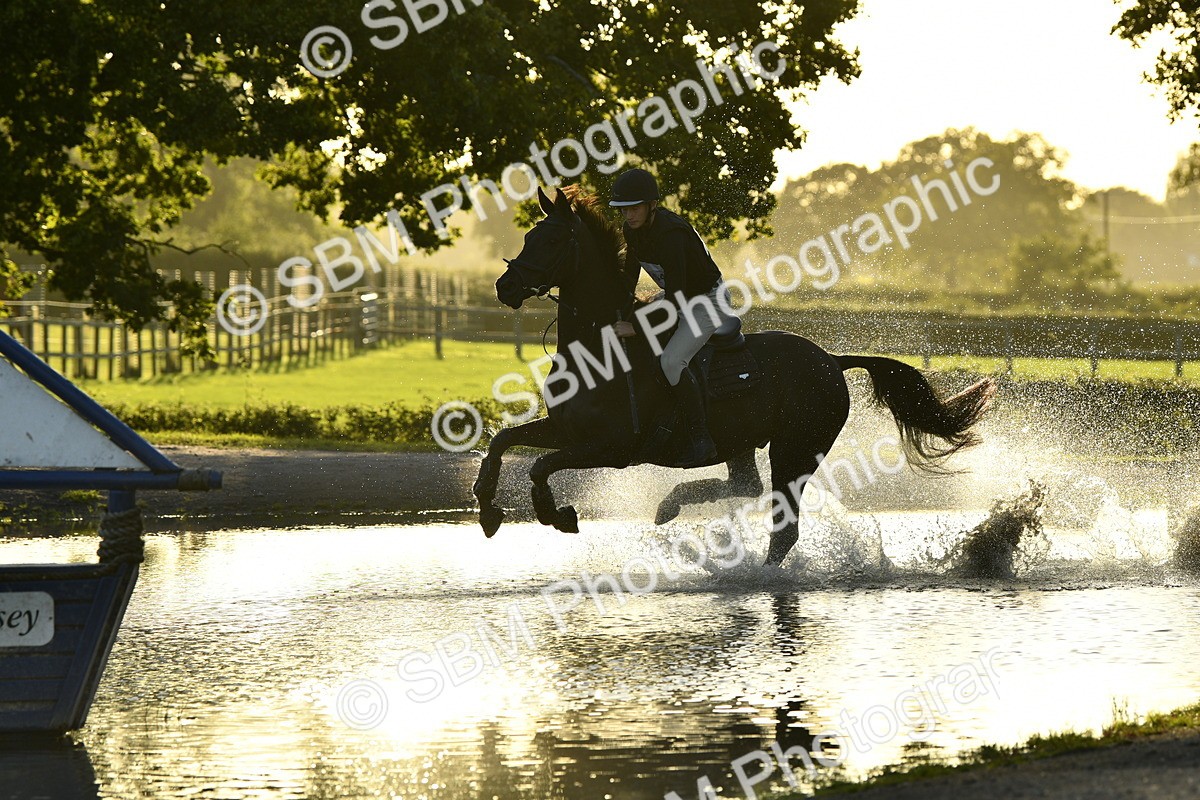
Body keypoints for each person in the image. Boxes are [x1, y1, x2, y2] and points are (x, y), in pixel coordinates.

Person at [609, 167, 737, 467]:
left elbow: (678, 296)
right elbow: (630, 277)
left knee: (671, 361)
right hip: (678, 296)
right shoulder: (632, 229)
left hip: (707, 301)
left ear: (652, 205)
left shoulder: (671, 234)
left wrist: (636, 326)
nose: (629, 215)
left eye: (635, 208)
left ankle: (701, 438)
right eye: (624, 210)